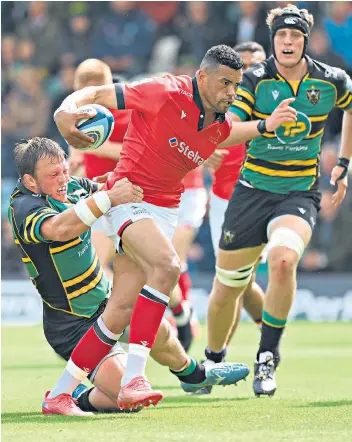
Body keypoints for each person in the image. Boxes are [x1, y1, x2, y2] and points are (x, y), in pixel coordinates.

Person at [54, 45, 273, 408]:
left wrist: (264, 127)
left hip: (164, 212)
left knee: (119, 310)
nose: (231, 92)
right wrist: (65, 110)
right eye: (224, 83)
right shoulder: (164, 90)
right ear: (202, 77)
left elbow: (229, 134)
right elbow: (95, 93)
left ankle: (60, 392)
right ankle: (134, 378)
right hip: (127, 198)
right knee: (169, 265)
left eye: (236, 85)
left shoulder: (219, 126)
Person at [8, 137, 250, 415]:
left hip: (105, 303)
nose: (64, 179)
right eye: (53, 175)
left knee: (156, 330)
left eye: (64, 170)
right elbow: (60, 229)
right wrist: (109, 196)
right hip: (71, 325)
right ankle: (75, 395)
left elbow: (111, 187)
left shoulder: (72, 186)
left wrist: (188, 159)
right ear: (30, 181)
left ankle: (194, 375)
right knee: (125, 400)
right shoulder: (23, 207)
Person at [203, 4, 352, 397]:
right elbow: (226, 131)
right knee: (226, 289)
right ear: (274, 40)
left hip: (298, 193)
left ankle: (266, 357)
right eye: (282, 36)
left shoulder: (331, 80)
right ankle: (212, 360)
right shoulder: (253, 79)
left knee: (283, 261)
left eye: (295, 36)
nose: (288, 42)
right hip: (252, 192)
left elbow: (351, 106)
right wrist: (266, 125)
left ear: (305, 40)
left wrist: (345, 161)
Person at [198, 42, 267, 396]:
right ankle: (270, 334)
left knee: (233, 282)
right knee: (240, 281)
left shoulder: (273, 103)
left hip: (262, 197)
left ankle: (215, 362)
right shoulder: (220, 106)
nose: (252, 74)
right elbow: (190, 142)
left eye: (258, 66)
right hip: (225, 201)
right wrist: (200, 156)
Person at [68, 59, 130, 280]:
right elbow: (76, 154)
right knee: (98, 267)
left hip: (128, 196)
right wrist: (73, 164)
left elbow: (137, 153)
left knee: (144, 269)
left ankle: (178, 312)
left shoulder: (127, 112)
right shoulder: (78, 114)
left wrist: (96, 147)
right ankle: (178, 314)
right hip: (99, 197)